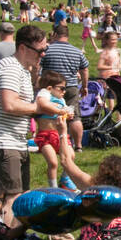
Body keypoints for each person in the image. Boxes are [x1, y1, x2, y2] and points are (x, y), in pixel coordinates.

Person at [0, 23, 49, 217]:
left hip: (14, 142)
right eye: (40, 51)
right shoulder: (10, 67)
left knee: (22, 196)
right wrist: (38, 108)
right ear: (23, 48)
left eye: (45, 50)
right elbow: (9, 104)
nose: (43, 55)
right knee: (12, 198)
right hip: (1, 142)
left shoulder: (23, 70)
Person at [40, 22, 89, 151]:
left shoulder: (48, 50)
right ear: (67, 35)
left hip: (52, 89)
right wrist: (84, 86)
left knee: (50, 115)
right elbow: (84, 69)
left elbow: (39, 68)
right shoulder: (77, 51)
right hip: (71, 86)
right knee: (74, 117)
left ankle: (51, 144)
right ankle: (78, 145)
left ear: (55, 34)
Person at [34, 70, 74, 187]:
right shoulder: (44, 93)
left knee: (71, 156)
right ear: (50, 88)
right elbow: (43, 104)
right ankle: (53, 187)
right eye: (61, 88)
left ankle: (65, 179)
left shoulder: (61, 100)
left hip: (60, 135)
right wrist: (59, 111)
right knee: (53, 162)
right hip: (45, 136)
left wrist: (68, 114)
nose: (64, 91)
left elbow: (65, 111)